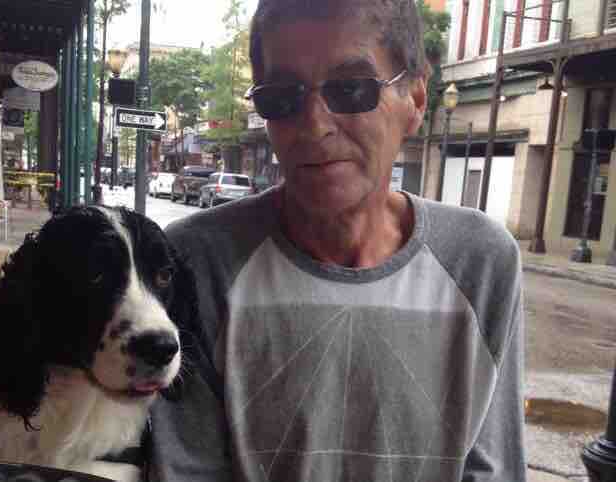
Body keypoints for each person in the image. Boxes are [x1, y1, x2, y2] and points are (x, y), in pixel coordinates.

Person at [149, 1, 526, 481]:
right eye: (282, 96)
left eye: (350, 89)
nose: (314, 124)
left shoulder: (481, 262)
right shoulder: (197, 261)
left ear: (415, 99)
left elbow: (492, 468)